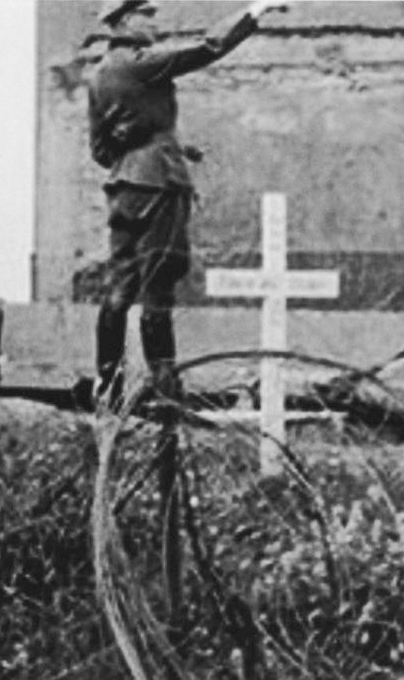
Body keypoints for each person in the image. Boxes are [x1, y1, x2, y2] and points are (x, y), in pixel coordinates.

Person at [88, 0, 285, 408]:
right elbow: (208, 47)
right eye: (147, 15)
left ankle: (107, 387)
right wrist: (254, 12)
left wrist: (161, 147)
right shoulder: (140, 62)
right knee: (159, 284)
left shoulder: (100, 74)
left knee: (118, 288)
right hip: (159, 184)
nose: (155, 23)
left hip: (123, 186)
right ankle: (164, 392)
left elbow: (101, 150)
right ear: (124, 21)